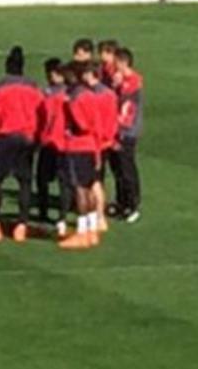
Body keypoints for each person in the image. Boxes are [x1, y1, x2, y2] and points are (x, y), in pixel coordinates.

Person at [0, 46, 42, 243]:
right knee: (25, 182)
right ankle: (21, 225)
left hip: (5, 137)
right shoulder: (33, 88)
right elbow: (40, 113)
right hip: (26, 137)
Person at [58, 62, 103, 250]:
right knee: (90, 186)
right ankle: (92, 231)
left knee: (80, 189)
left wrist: (70, 112)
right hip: (92, 146)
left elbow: (82, 124)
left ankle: (82, 232)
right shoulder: (91, 94)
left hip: (78, 147)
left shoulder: (75, 98)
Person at [35, 57, 72, 236]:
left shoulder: (46, 94)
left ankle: (43, 214)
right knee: (64, 182)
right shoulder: (70, 94)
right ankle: (62, 219)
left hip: (50, 142)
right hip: (65, 143)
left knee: (43, 179)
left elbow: (41, 119)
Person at [109, 47, 144, 223]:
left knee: (127, 168)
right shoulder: (124, 81)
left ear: (123, 63)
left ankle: (133, 204)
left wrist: (118, 86)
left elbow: (126, 108)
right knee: (117, 169)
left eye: (116, 64)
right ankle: (121, 201)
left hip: (127, 132)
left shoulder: (133, 82)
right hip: (118, 131)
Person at [88, 63, 120, 234]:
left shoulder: (95, 96)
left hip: (96, 142)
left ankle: (98, 217)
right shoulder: (110, 94)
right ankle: (97, 216)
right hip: (105, 141)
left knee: (93, 181)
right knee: (96, 180)